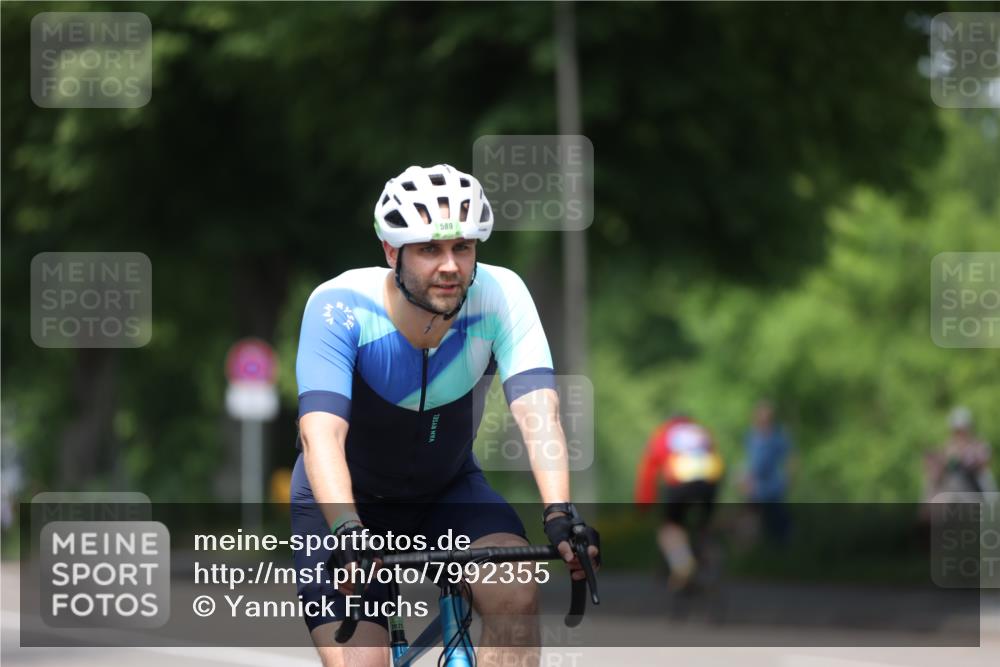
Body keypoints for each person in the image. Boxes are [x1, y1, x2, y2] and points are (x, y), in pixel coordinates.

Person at [290, 164, 599, 667]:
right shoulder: (340, 306)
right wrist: (347, 528)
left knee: (514, 592)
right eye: (430, 249)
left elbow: (539, 411)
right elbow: (320, 434)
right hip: (344, 501)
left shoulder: (501, 296)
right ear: (393, 252)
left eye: (463, 247)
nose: (451, 265)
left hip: (446, 492)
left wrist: (560, 513)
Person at [635, 414, 724, 591]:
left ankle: (683, 565)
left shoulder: (663, 433)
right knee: (704, 525)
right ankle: (710, 557)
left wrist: (644, 505)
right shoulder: (701, 430)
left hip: (680, 480)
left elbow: (648, 473)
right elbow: (716, 459)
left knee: (670, 527)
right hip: (710, 480)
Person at [741, 400, 792, 544]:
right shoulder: (751, 436)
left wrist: (788, 480)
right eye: (760, 416)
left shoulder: (778, 436)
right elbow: (751, 461)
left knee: (776, 520)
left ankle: (782, 547)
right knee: (752, 520)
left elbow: (789, 458)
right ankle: (756, 550)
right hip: (755, 487)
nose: (762, 419)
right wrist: (746, 479)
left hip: (773, 486)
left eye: (766, 416)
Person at [926, 407, 996, 496]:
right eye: (957, 431)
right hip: (954, 486)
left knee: (986, 482)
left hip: (974, 484)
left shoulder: (977, 445)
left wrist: (966, 457)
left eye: (962, 430)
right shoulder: (949, 446)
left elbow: (984, 460)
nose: (959, 434)